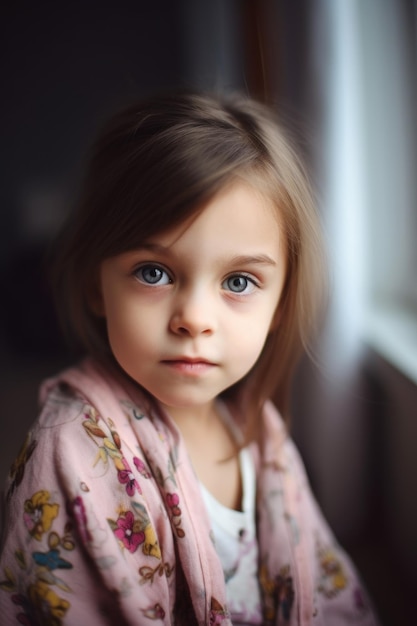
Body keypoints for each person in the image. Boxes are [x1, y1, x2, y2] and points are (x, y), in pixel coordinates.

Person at [0, 92, 379, 625]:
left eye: (239, 281)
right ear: (94, 286)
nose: (194, 318)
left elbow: (328, 585)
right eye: (154, 272)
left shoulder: (258, 431)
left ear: (279, 305)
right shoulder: (72, 457)